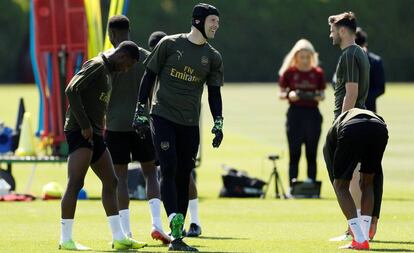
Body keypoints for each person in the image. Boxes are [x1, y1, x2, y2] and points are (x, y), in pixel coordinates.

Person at [133, 3, 223, 251]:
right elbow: (148, 77)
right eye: (213, 20)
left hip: (190, 123)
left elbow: (214, 94)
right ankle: (175, 228)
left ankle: (178, 236)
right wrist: (140, 111)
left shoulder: (213, 57)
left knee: (184, 174)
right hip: (162, 116)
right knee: (169, 166)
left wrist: (218, 122)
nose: (216, 25)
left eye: (217, 21)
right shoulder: (169, 44)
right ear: (198, 21)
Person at [60, 41, 147, 251]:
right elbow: (71, 89)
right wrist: (85, 125)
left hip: (95, 134)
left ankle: (118, 237)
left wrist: (98, 127)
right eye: (128, 65)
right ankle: (66, 239)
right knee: (76, 183)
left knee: (112, 181)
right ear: (123, 57)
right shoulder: (98, 65)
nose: (127, 70)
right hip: (80, 132)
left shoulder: (108, 71)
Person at [104, 15, 171, 244]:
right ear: (129, 31)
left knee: (119, 178)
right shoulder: (147, 57)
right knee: (151, 173)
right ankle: (157, 224)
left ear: (111, 34)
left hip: (115, 125)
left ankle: (125, 232)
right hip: (144, 122)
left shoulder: (106, 59)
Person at [148, 30, 203, 238]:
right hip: (156, 123)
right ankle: (163, 223)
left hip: (180, 123)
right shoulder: (151, 66)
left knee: (180, 171)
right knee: (162, 171)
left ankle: (193, 221)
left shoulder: (176, 64)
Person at [323, 108, 388, 250]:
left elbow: (336, 181)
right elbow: (378, 177)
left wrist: (340, 185)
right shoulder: (370, 119)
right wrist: (374, 217)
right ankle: (363, 237)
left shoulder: (330, 141)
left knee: (340, 185)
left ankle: (358, 238)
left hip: (351, 128)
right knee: (367, 181)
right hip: (380, 128)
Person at [278, 39, 326, 188]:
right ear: (296, 57)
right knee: (295, 152)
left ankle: (311, 184)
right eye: (302, 57)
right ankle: (293, 185)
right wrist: (289, 95)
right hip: (295, 115)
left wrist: (317, 96)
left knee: (311, 153)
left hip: (312, 115)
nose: (305, 60)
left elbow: (323, 94)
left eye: (307, 57)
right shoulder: (289, 73)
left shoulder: (317, 73)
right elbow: (280, 93)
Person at [355, 27, 386, 113]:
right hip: (353, 109)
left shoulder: (375, 61)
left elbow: (380, 88)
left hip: (368, 109)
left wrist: (359, 99)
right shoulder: (346, 60)